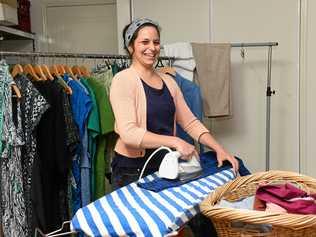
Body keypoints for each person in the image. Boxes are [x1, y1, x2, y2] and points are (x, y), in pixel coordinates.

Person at [109, 17, 239, 190]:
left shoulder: (168, 82)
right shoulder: (123, 80)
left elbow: (190, 122)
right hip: (132, 169)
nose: (152, 48)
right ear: (131, 46)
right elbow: (130, 134)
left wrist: (219, 148)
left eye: (156, 42)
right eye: (144, 42)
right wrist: (175, 142)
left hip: (165, 165)